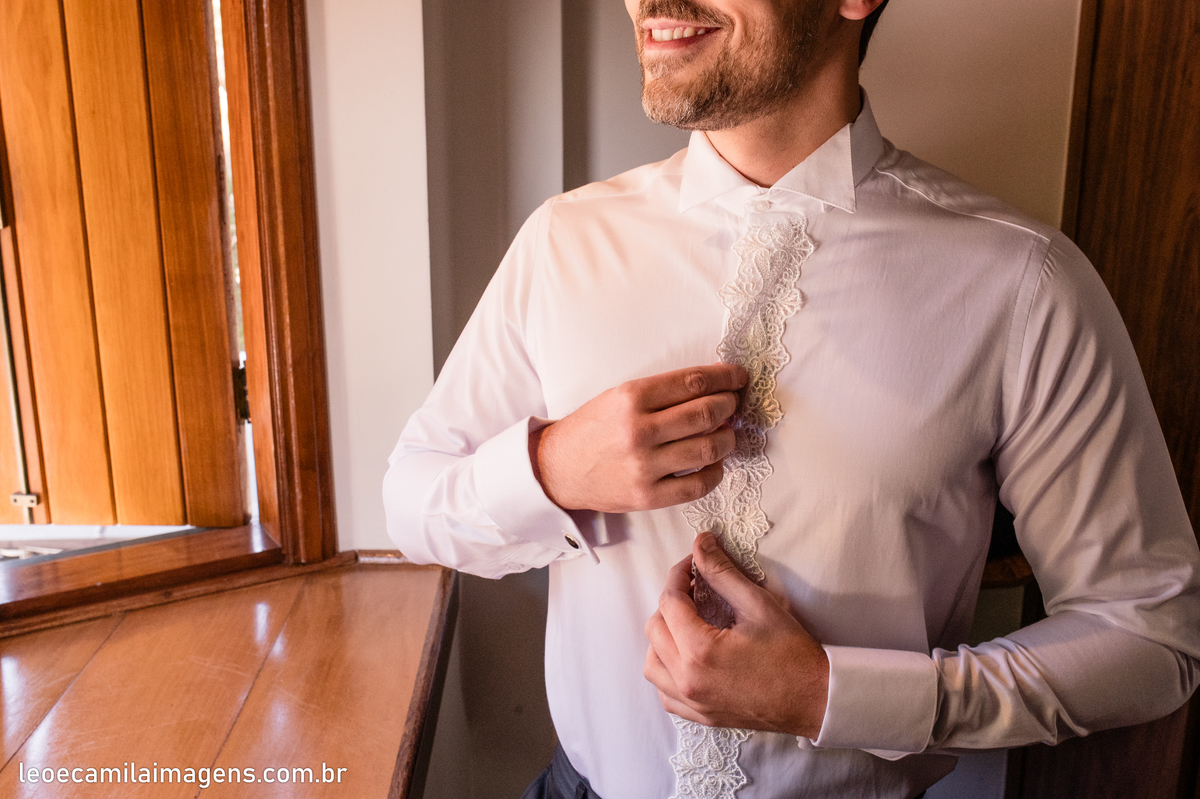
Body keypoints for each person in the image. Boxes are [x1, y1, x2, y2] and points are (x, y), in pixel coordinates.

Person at [384, 0, 1200, 796]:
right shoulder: (564, 242)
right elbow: (413, 502)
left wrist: (833, 696)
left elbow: (1152, 636)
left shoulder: (1023, 285)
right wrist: (552, 467)